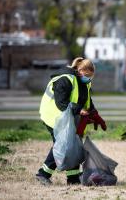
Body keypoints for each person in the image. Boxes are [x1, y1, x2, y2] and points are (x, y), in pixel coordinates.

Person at [36, 57, 106, 185]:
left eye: (90, 76)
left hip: (66, 117)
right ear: (79, 70)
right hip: (53, 116)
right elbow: (61, 103)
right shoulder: (65, 79)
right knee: (63, 145)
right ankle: (43, 174)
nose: (88, 78)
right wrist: (79, 110)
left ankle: (73, 178)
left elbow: (87, 101)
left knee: (72, 145)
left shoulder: (84, 82)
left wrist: (95, 115)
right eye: (86, 75)